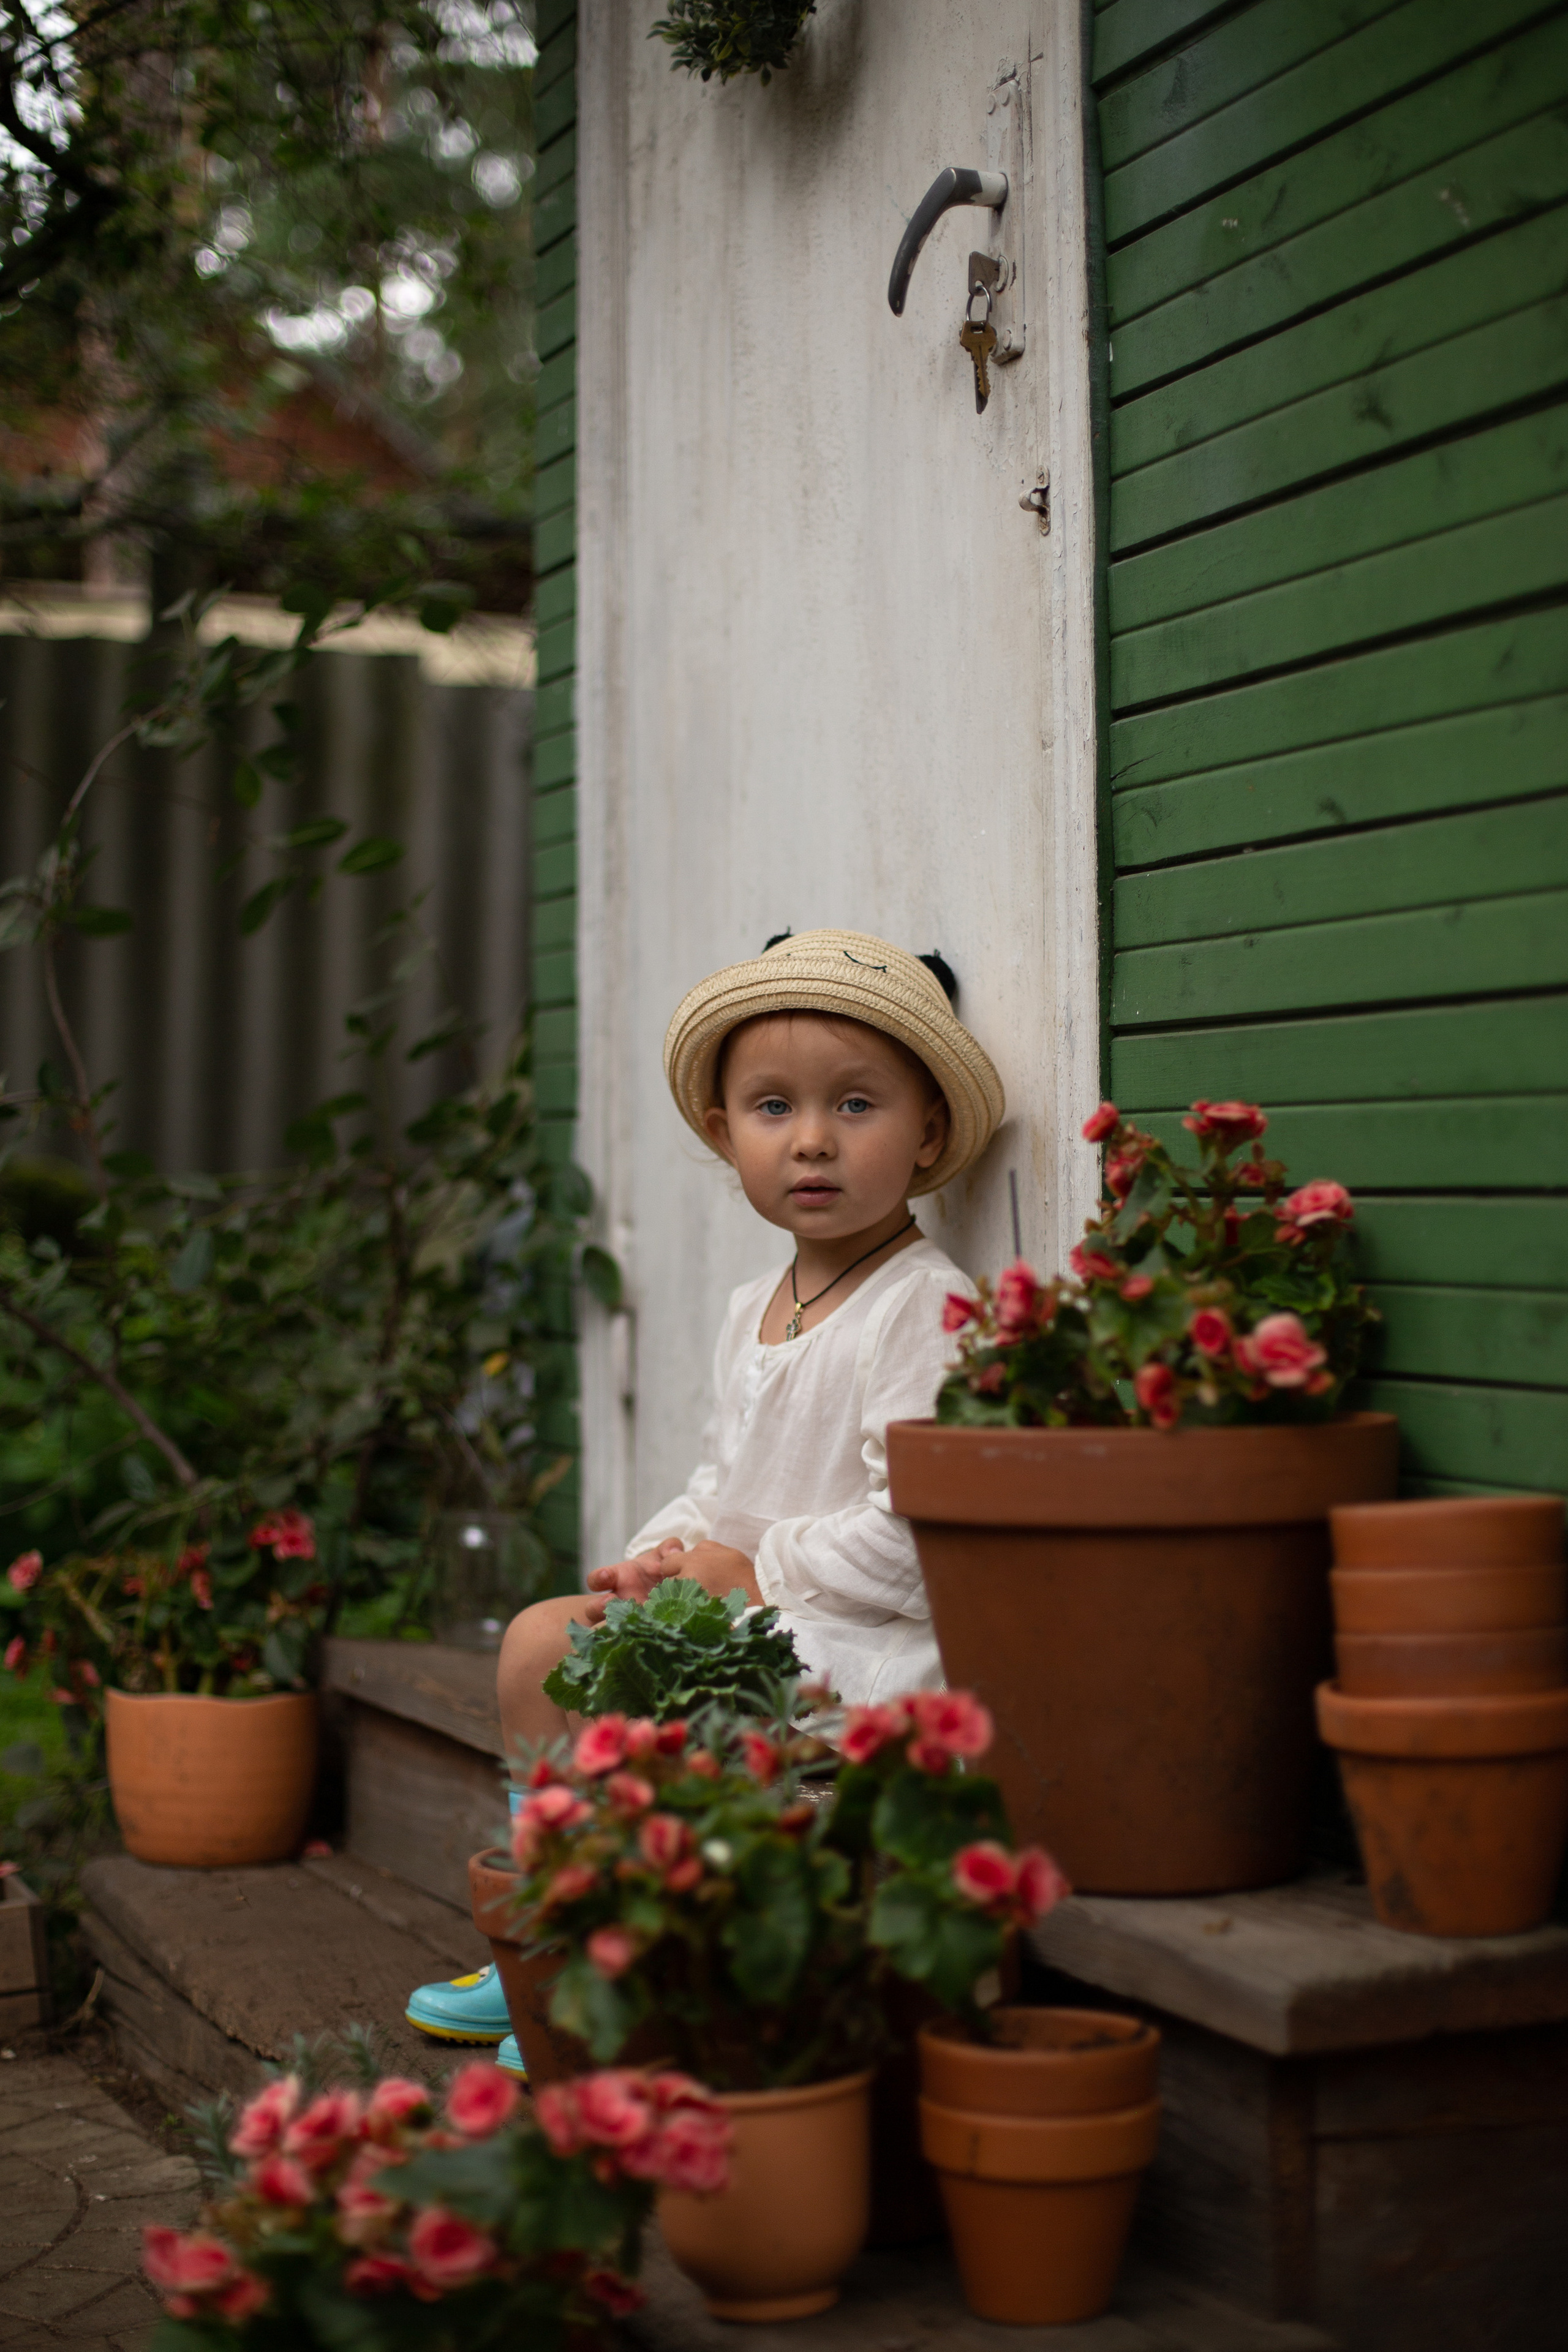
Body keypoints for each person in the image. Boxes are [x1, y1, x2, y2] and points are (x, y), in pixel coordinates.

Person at [405, 929, 1005, 2069]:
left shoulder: (922, 1308)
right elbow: (722, 1486)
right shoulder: (755, 1306)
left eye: (859, 1106)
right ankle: (552, 1930)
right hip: (753, 1610)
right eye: (773, 1108)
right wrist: (663, 1556)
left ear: (928, 1133)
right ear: (727, 1135)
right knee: (543, 1646)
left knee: (649, 1697)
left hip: (857, 1643)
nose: (814, 1140)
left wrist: (753, 1572)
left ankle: (613, 1974)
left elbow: (921, 1538)